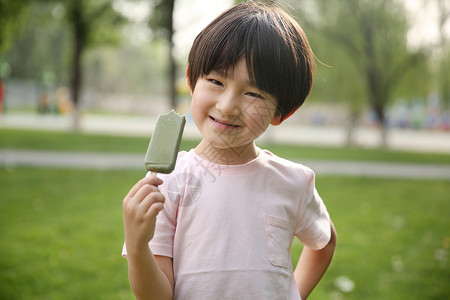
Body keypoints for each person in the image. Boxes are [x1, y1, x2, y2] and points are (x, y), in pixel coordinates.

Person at [122, 2, 337, 299]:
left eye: (253, 93)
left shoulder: (295, 182)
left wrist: (293, 294)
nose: (227, 106)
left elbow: (324, 242)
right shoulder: (167, 184)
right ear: (191, 81)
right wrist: (137, 246)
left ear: (282, 112)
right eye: (215, 81)